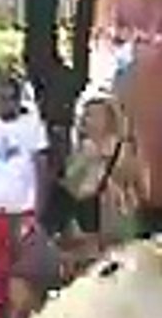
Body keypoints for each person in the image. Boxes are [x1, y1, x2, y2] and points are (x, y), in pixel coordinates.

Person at [0, 76, 50, 318]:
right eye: (0, 97)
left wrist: (37, 209)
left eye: (10, 97)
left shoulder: (32, 126)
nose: (5, 103)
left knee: (25, 270)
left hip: (24, 207)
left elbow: (41, 167)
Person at [59, 95, 142, 248]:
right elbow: (70, 189)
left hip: (117, 224)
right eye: (83, 114)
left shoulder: (124, 149)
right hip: (87, 228)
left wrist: (104, 160)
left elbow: (135, 184)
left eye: (90, 115)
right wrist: (84, 162)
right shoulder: (82, 149)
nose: (83, 119)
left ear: (107, 119)